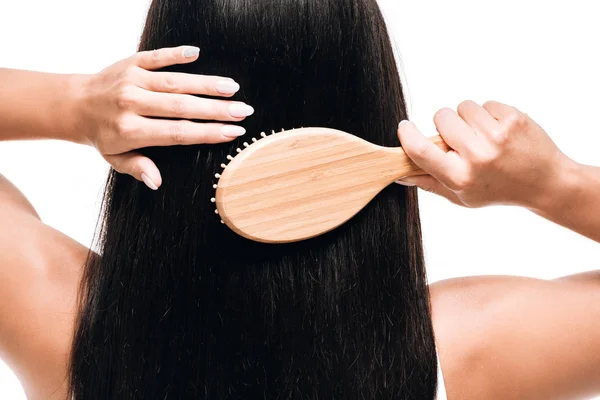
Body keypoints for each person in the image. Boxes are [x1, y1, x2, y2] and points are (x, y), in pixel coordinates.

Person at [0, 1, 598, 400]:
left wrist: (75, 104)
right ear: (373, 93)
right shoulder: (474, 348)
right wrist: (555, 185)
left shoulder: (49, 312)